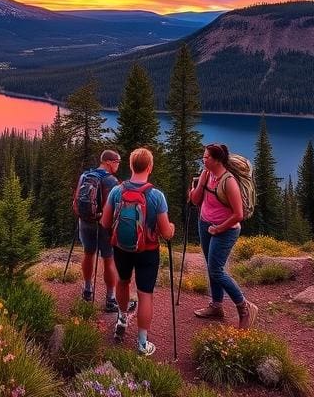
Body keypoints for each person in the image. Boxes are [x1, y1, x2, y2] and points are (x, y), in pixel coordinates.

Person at [101, 147, 175, 356]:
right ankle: (142, 343)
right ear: (149, 167)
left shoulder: (117, 191)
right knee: (145, 295)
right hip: (148, 251)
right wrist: (172, 229)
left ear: (131, 165)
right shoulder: (156, 196)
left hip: (121, 249)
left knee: (123, 282)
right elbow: (166, 232)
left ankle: (122, 318)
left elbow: (105, 222)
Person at [188, 143, 258, 328]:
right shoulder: (206, 173)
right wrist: (199, 186)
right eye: (203, 157)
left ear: (217, 160)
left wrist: (219, 229)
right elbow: (195, 200)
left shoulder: (229, 182)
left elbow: (238, 214)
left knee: (216, 270)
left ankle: (244, 307)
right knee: (211, 266)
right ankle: (216, 306)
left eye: (206, 157)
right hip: (205, 224)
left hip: (225, 230)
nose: (203, 160)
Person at [74, 149, 125, 311]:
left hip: (85, 222)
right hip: (103, 225)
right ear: (108, 162)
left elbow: (75, 202)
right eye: (117, 162)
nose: (118, 165)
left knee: (88, 253)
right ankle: (110, 299)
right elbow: (114, 210)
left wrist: (85, 216)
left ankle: (87, 290)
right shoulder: (111, 180)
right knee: (108, 259)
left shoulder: (85, 176)